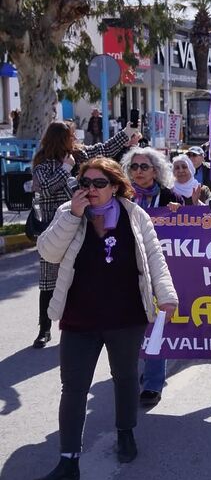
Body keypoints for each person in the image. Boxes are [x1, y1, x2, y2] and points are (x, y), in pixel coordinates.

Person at [33, 158, 177, 480]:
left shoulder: (134, 214)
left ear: (114, 186)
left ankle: (126, 433)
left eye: (99, 184)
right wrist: (73, 215)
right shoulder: (69, 214)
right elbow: (48, 253)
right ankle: (68, 460)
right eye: (85, 183)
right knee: (73, 388)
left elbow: (155, 257)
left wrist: (166, 294)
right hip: (79, 318)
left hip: (125, 316)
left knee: (125, 378)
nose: (91, 190)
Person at [30, 121, 139, 349]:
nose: (75, 139)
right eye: (70, 136)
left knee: (77, 273)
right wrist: (65, 169)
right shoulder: (43, 163)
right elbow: (46, 187)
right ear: (61, 138)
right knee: (49, 279)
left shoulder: (79, 154)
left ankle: (76, 325)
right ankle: (44, 329)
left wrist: (127, 132)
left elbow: (105, 150)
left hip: (82, 225)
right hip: (55, 225)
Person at [120, 147, 179, 407]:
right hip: (125, 271)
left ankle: (153, 384)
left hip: (157, 270)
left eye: (144, 167)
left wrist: (180, 212)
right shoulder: (120, 196)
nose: (138, 172)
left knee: (156, 326)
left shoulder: (169, 197)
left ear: (156, 170)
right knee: (128, 329)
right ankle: (130, 375)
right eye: (134, 167)